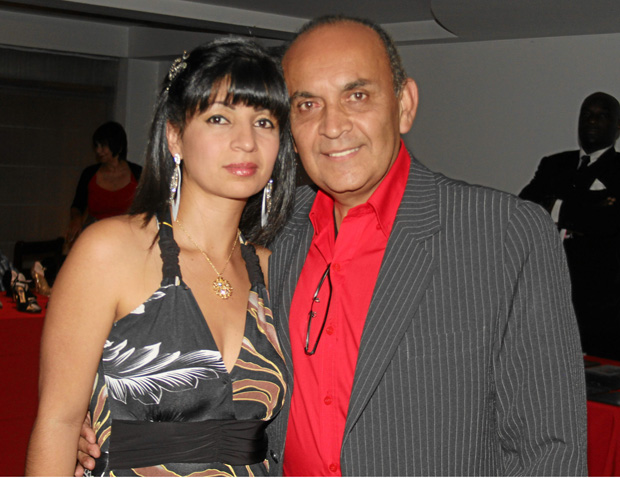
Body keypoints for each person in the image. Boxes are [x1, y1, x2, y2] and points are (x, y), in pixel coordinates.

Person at [78, 15, 587, 476]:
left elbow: (550, 449)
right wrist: (113, 425)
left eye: (357, 96)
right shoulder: (270, 238)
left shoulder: (503, 234)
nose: (333, 126)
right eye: (307, 105)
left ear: (404, 105)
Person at [26, 36, 296, 476]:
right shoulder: (111, 252)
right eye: (220, 118)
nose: (246, 141)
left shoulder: (274, 270)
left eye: (263, 122)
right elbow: (58, 424)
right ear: (175, 136)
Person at [520, 92, 620, 360]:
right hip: (546, 293)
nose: (592, 121)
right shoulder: (554, 164)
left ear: (617, 126)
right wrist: (592, 204)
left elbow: (609, 222)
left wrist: (555, 206)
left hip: (600, 301)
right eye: (587, 114)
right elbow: (524, 209)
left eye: (602, 115)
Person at [65, 121, 143, 247]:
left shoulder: (138, 173)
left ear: (118, 145)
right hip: (96, 237)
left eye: (103, 145)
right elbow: (77, 205)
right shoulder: (89, 173)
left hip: (128, 238)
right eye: (96, 146)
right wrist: (76, 219)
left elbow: (148, 207)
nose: (98, 150)